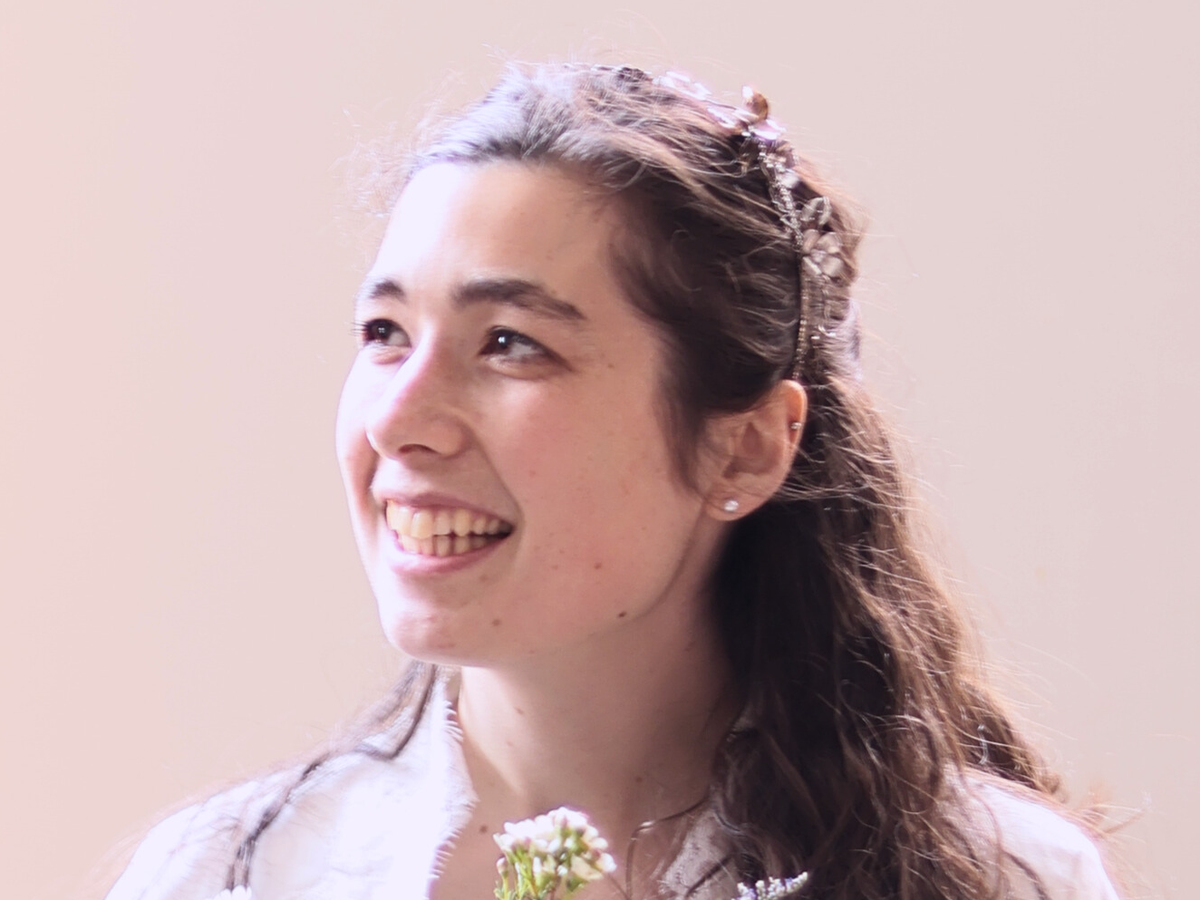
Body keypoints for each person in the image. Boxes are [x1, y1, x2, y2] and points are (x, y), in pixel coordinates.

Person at [105, 63, 1121, 900]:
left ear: (745, 448)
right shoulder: (230, 877)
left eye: (511, 343)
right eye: (385, 333)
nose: (400, 422)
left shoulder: (1001, 880)